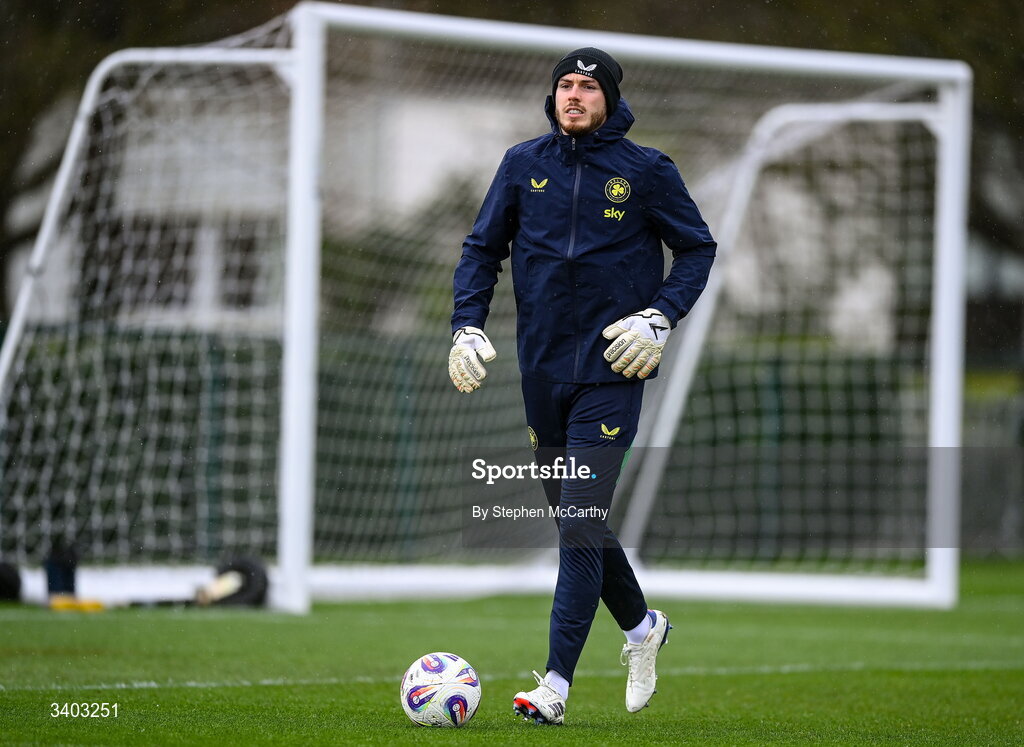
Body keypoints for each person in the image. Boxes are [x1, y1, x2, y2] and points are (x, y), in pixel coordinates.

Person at [449, 47, 716, 725]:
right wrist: (465, 325)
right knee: (583, 523)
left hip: (613, 371)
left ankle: (556, 686)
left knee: (576, 523)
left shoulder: (647, 171)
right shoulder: (522, 164)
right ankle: (642, 628)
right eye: (564, 85)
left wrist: (660, 316)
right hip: (541, 372)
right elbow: (483, 249)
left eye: (586, 87)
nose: (573, 95)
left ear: (610, 99)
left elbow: (698, 248)